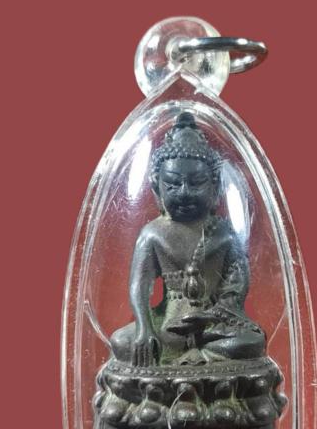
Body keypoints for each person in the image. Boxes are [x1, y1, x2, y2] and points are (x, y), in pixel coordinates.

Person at [110, 112, 265, 367]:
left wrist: (210, 316)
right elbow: (139, 286)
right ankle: (193, 362)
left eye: (196, 183)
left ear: (214, 187)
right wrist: (144, 329)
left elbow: (236, 290)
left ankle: (197, 358)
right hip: (167, 326)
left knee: (252, 342)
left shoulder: (225, 234)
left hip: (212, 327)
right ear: (156, 188)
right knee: (120, 341)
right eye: (172, 185)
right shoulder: (152, 234)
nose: (184, 193)